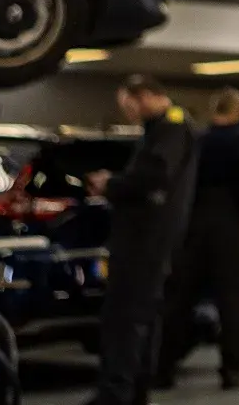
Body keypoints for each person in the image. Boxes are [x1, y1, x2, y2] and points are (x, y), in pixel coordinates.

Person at [85, 74, 200, 405]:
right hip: (149, 237)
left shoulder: (171, 128)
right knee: (141, 316)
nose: (127, 114)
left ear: (146, 96)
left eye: (129, 106)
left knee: (127, 316)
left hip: (145, 239)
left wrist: (112, 184)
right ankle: (132, 389)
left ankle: (117, 391)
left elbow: (156, 175)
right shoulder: (164, 129)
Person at [157, 88, 239, 390]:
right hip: (232, 228)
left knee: (179, 301)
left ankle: (163, 369)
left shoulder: (196, 141)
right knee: (233, 303)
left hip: (194, 227)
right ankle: (231, 371)